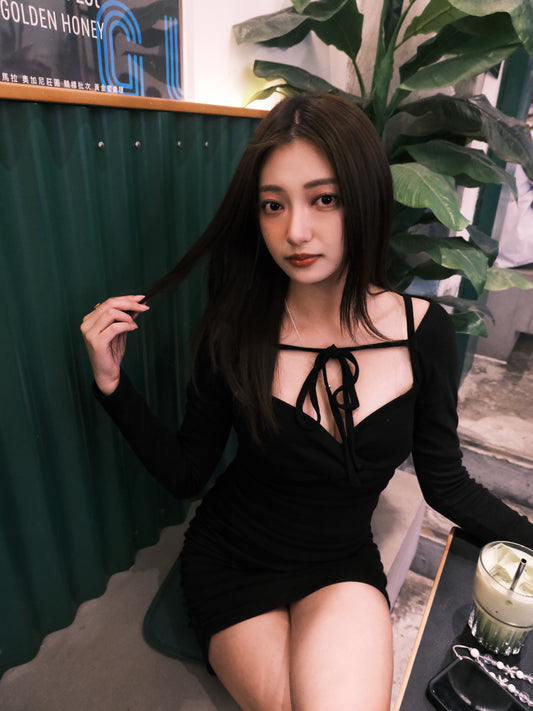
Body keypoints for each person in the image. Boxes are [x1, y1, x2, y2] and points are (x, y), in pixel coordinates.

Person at [81, 92, 533, 711]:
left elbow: (446, 483)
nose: (295, 231)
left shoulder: (422, 331)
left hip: (339, 562)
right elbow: (187, 472)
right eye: (273, 205)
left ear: (363, 197)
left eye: (325, 199)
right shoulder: (234, 331)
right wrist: (114, 388)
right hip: (232, 561)